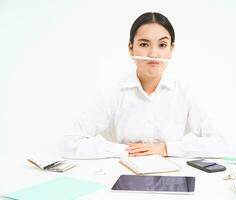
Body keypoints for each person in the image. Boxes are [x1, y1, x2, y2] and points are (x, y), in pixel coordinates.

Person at [59, 12, 226, 159]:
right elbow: (69, 143)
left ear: (171, 49)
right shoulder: (113, 93)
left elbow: (219, 143)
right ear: (131, 48)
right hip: (122, 173)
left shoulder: (184, 92)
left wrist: (165, 149)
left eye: (162, 45)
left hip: (172, 178)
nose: (153, 54)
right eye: (144, 44)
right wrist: (124, 150)